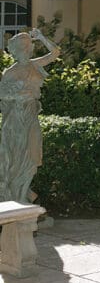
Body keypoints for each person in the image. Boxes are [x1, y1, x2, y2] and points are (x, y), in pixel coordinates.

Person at [0, 29, 60, 204]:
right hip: (16, 118)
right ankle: (16, 196)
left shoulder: (35, 65)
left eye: (27, 46)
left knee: (32, 155)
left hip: (31, 114)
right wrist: (20, 95)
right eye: (22, 47)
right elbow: (2, 95)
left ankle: (23, 194)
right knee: (17, 157)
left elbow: (55, 53)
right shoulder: (10, 72)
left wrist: (42, 37)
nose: (26, 50)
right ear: (16, 51)